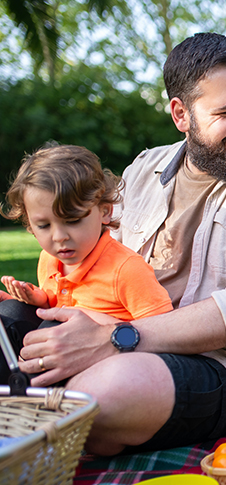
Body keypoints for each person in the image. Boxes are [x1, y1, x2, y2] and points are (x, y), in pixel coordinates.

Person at [9, 33, 226, 456]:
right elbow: (101, 266)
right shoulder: (144, 169)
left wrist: (111, 339)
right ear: (181, 114)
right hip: (124, 337)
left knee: (99, 394)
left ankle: (52, 423)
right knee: (9, 319)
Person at [0, 145, 173, 385]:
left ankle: (32, 400)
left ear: (104, 212)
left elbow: (162, 332)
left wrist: (99, 324)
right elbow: (59, 302)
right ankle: (9, 395)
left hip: (104, 363)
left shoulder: (126, 269)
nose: (59, 236)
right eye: (44, 226)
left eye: (72, 221)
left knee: (54, 328)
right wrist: (38, 300)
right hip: (54, 353)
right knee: (9, 314)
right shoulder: (50, 260)